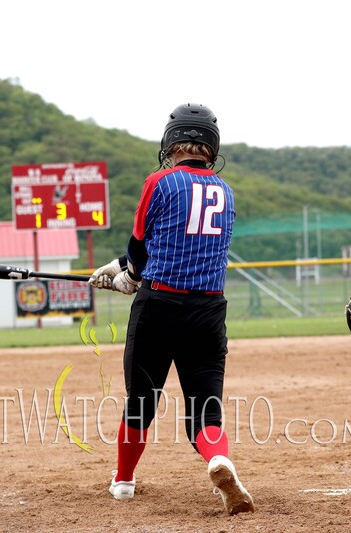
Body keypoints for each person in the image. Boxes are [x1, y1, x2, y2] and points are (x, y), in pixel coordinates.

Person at [88, 103, 254, 515]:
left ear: (169, 143)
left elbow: (138, 248)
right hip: (209, 310)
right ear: (212, 149)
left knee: (141, 401)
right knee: (205, 409)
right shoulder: (226, 192)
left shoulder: (159, 181)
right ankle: (219, 460)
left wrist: (127, 274)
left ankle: (124, 481)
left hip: (158, 305)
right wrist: (129, 271)